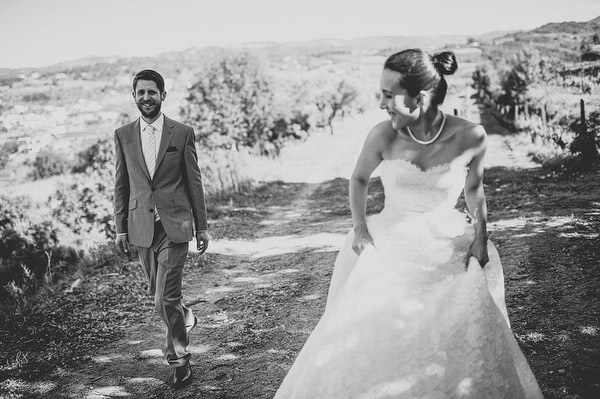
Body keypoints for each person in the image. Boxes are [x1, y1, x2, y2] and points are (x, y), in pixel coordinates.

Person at [274, 50, 544, 398]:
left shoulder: (471, 136)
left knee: (461, 323)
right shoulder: (382, 136)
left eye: (389, 95)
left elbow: (473, 189)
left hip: (447, 244)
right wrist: (359, 228)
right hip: (390, 242)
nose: (382, 103)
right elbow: (358, 179)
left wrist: (481, 236)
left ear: (420, 96)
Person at [113, 69, 209, 389]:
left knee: (162, 299)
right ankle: (184, 311)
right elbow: (121, 185)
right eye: (140, 93)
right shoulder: (123, 135)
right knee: (164, 297)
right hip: (140, 228)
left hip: (175, 226)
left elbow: (194, 182)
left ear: (163, 95)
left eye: (152, 92)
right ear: (134, 97)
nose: (146, 98)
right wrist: (120, 228)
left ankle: (179, 360)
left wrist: (203, 227)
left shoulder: (181, 133)